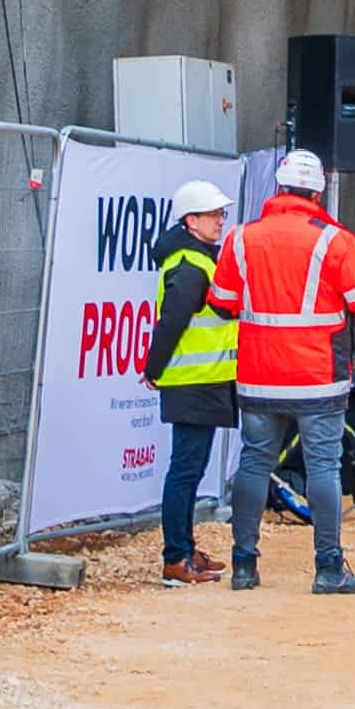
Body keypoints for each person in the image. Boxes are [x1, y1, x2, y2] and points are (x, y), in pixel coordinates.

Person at [209, 149, 355, 594]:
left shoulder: (239, 238)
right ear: (318, 192)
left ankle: (243, 566)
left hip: (258, 373)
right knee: (323, 468)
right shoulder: (333, 239)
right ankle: (329, 569)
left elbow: (220, 304)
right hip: (317, 375)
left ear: (278, 187)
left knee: (254, 463)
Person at [136, 178, 237, 585]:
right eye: (213, 215)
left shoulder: (197, 260)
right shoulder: (190, 265)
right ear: (191, 220)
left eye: (221, 214)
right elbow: (173, 321)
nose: (220, 221)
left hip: (204, 381)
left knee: (190, 471)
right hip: (194, 382)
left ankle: (183, 549)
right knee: (185, 471)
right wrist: (154, 369)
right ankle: (176, 559)